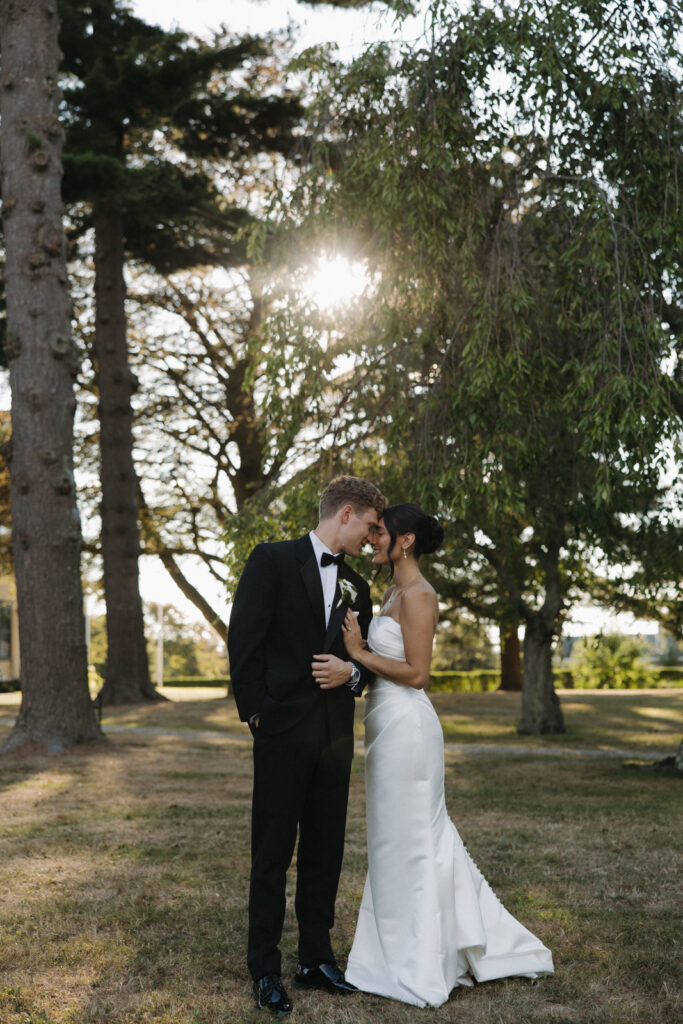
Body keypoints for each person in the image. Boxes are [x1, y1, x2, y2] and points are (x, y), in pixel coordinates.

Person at [341, 503, 554, 1008]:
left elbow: (417, 674)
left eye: (380, 533)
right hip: (383, 727)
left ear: (406, 540)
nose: (372, 540)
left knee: (415, 839)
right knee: (391, 841)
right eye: (370, 533)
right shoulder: (390, 591)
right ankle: (390, 951)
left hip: (409, 729)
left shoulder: (419, 595)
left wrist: (358, 653)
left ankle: (421, 960)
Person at [228, 476, 385, 1015]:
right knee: (272, 853)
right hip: (280, 733)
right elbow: (243, 641)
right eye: (368, 526)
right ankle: (265, 968)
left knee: (325, 850)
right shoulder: (271, 561)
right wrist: (256, 715)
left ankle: (316, 958)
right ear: (346, 513)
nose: (371, 537)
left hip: (333, 738)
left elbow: (361, 667)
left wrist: (353, 675)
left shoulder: (357, 589)